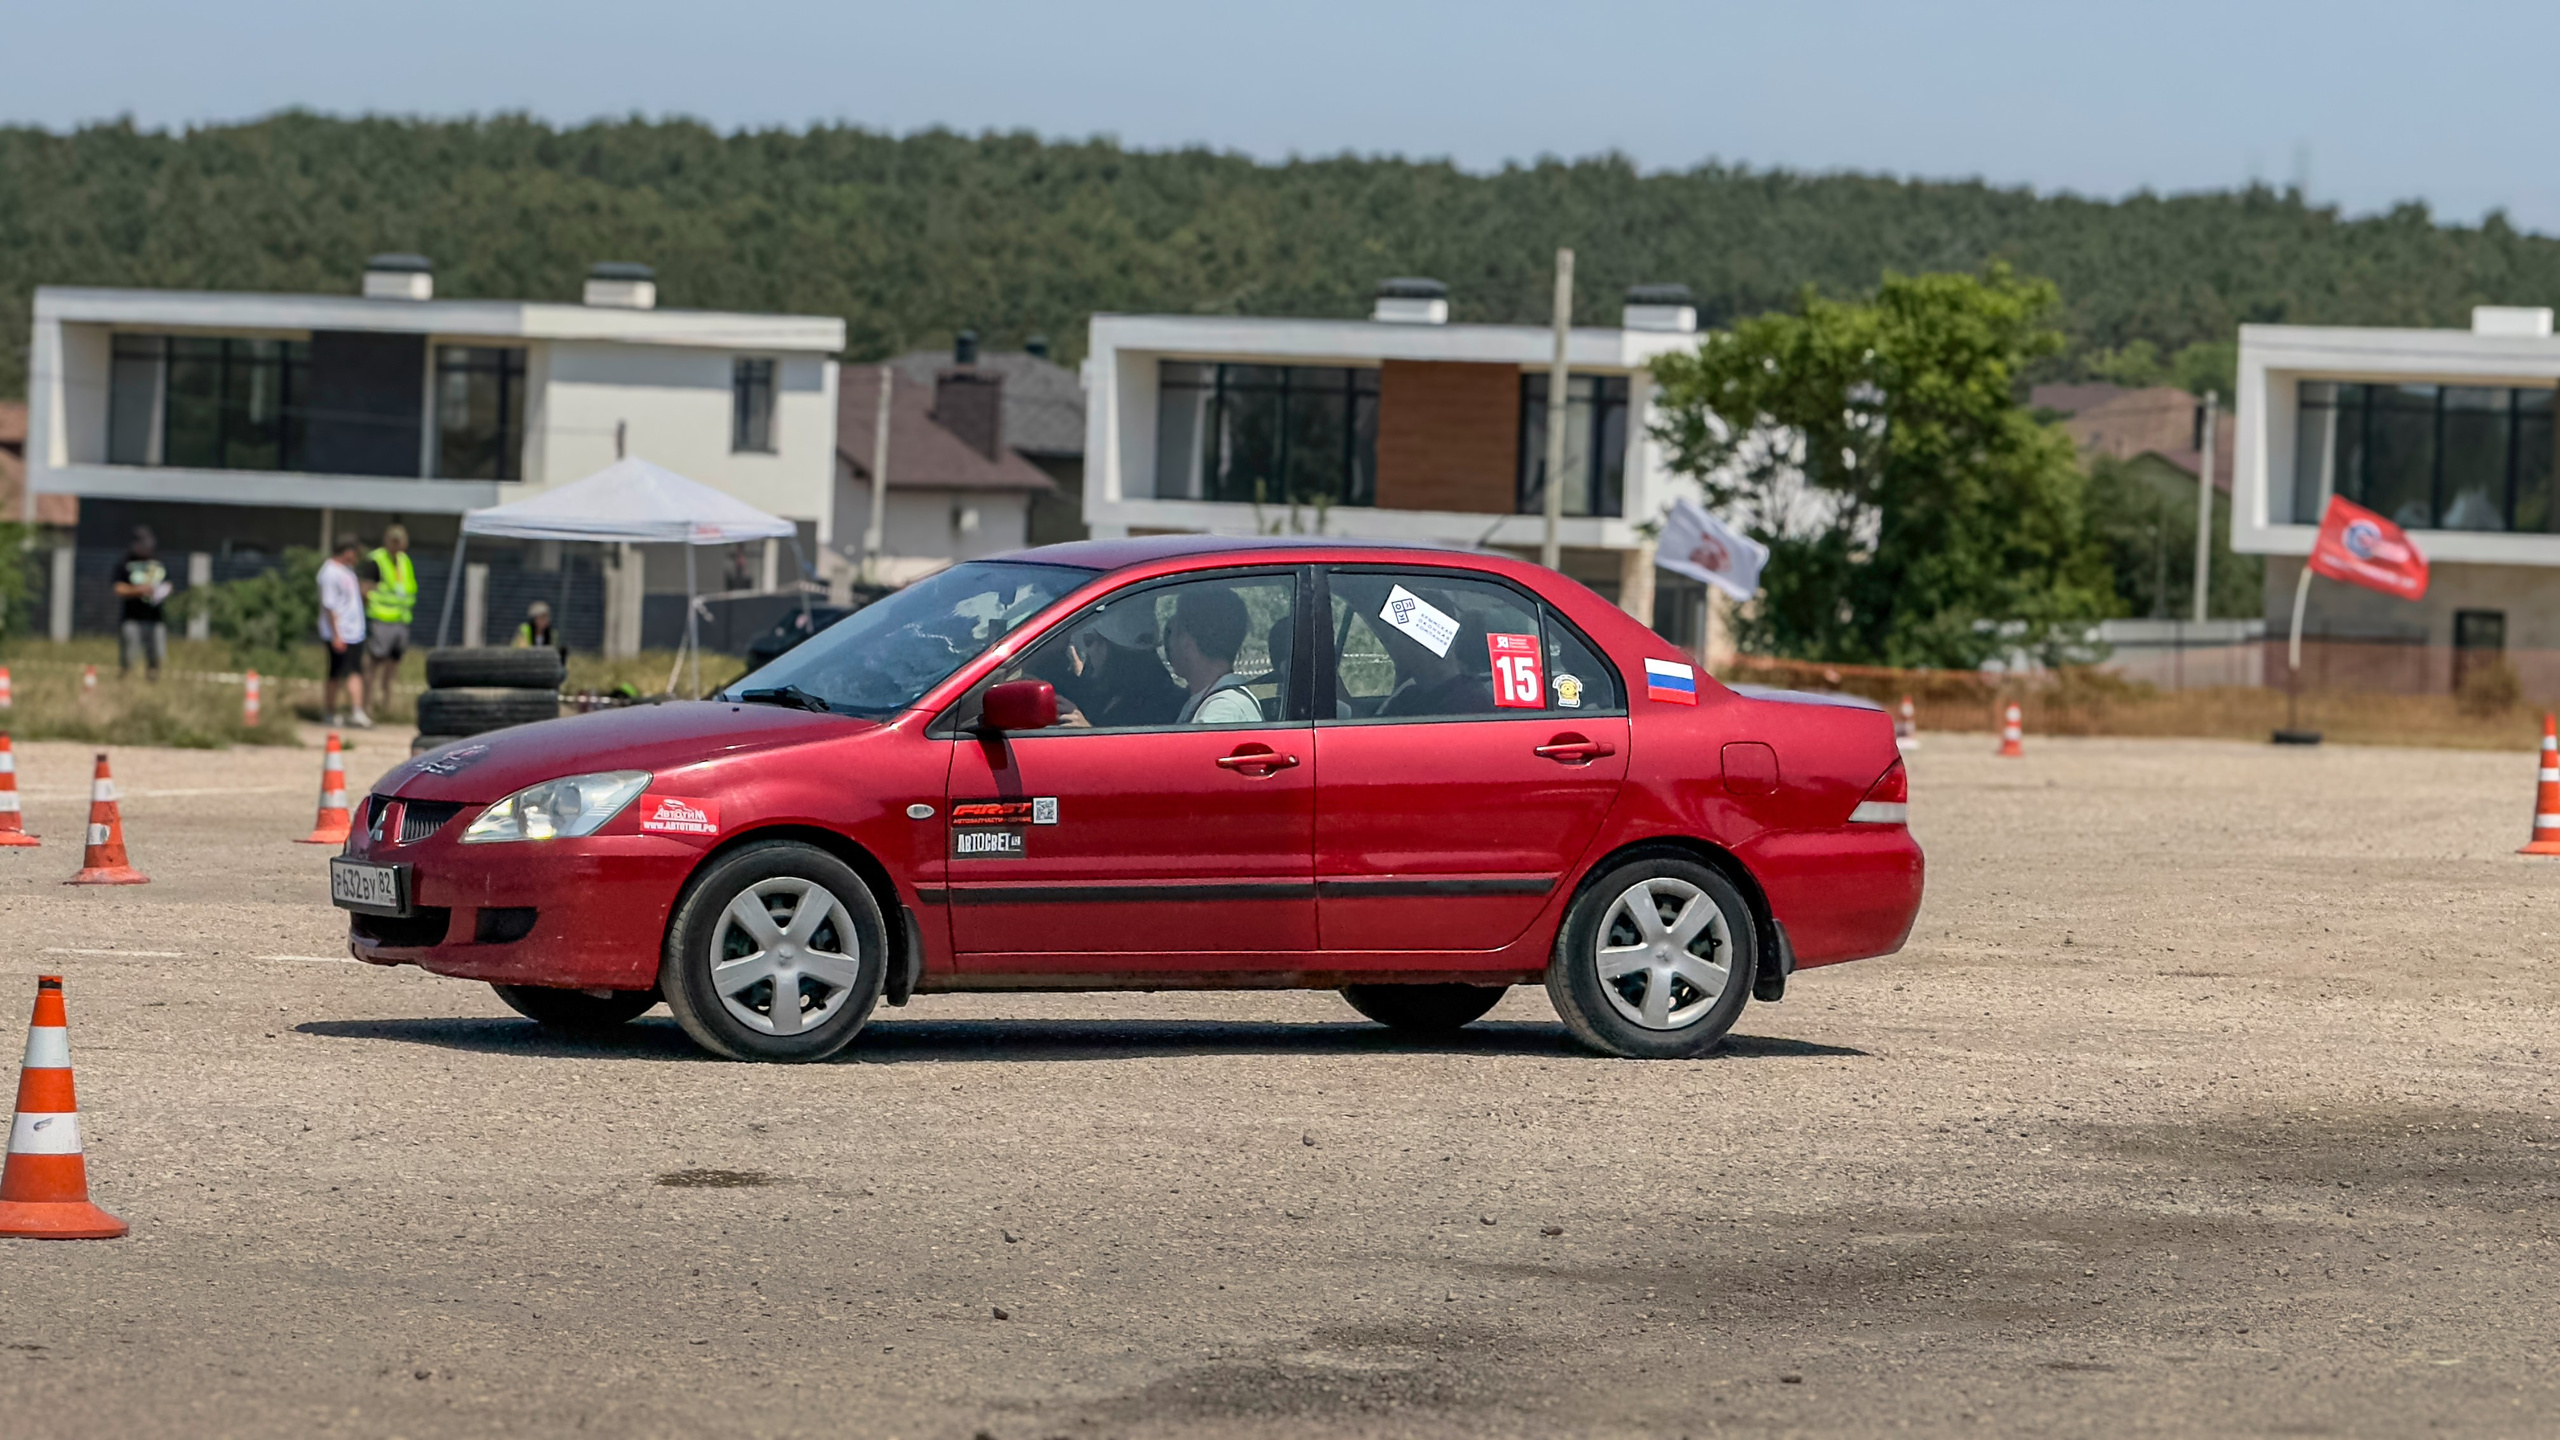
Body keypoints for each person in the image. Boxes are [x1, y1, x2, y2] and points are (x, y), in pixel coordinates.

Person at [1164, 587, 1264, 724]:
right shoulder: (1206, 701)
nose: (1167, 644)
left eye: (1172, 633)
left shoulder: (1223, 711)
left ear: (1187, 640)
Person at [317, 534, 371, 728]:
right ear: (347, 552)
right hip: (340, 632)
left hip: (354, 631)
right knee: (336, 673)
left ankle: (356, 711)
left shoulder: (347, 571)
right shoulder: (330, 573)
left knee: (355, 670)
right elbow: (329, 606)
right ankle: (330, 711)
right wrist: (336, 635)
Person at [363, 524, 416, 715]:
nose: (397, 544)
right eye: (393, 540)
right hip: (381, 620)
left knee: (393, 666)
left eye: (400, 540)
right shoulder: (376, 560)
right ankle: (366, 705)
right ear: (386, 540)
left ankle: (386, 706)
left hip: (401, 621)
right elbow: (366, 588)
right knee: (373, 664)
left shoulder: (405, 561)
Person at [112, 526, 170, 681]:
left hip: (155, 617)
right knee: (130, 655)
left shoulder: (158, 563)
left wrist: (163, 591)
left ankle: (152, 681)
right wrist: (139, 590)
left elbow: (168, 584)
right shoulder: (125, 563)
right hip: (131, 617)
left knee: (155, 655)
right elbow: (118, 588)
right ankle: (127, 680)